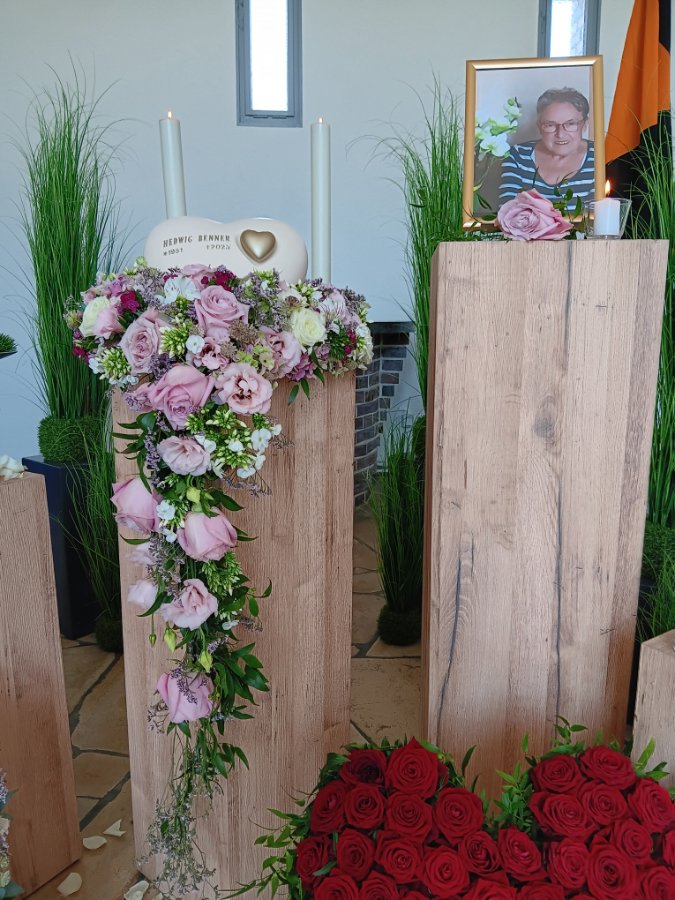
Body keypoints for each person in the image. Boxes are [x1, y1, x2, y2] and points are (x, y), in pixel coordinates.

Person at [499, 87, 595, 207]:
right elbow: (508, 212)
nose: (560, 134)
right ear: (539, 126)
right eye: (550, 125)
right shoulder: (517, 156)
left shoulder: (601, 156)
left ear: (585, 125)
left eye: (570, 124)